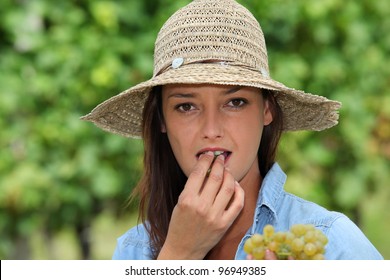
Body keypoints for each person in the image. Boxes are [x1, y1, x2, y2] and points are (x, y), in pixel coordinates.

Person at [81, 0, 383, 260]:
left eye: (235, 102)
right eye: (186, 106)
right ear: (162, 120)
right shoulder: (134, 252)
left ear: (267, 110)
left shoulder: (333, 245)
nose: (211, 130)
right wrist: (178, 254)